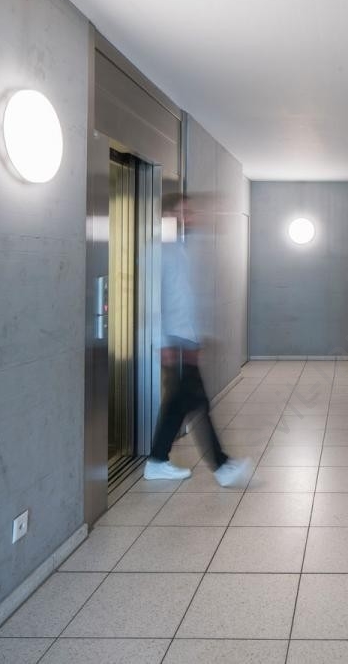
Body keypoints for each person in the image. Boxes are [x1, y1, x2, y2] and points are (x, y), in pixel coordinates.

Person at [144, 192, 250, 487]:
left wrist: (197, 338)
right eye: (183, 212)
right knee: (198, 402)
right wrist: (161, 342)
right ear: (168, 215)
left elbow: (187, 298)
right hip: (173, 341)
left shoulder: (181, 248)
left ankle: (157, 460)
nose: (189, 218)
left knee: (179, 403)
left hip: (185, 340)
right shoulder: (157, 250)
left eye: (190, 213)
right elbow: (151, 300)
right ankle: (222, 466)